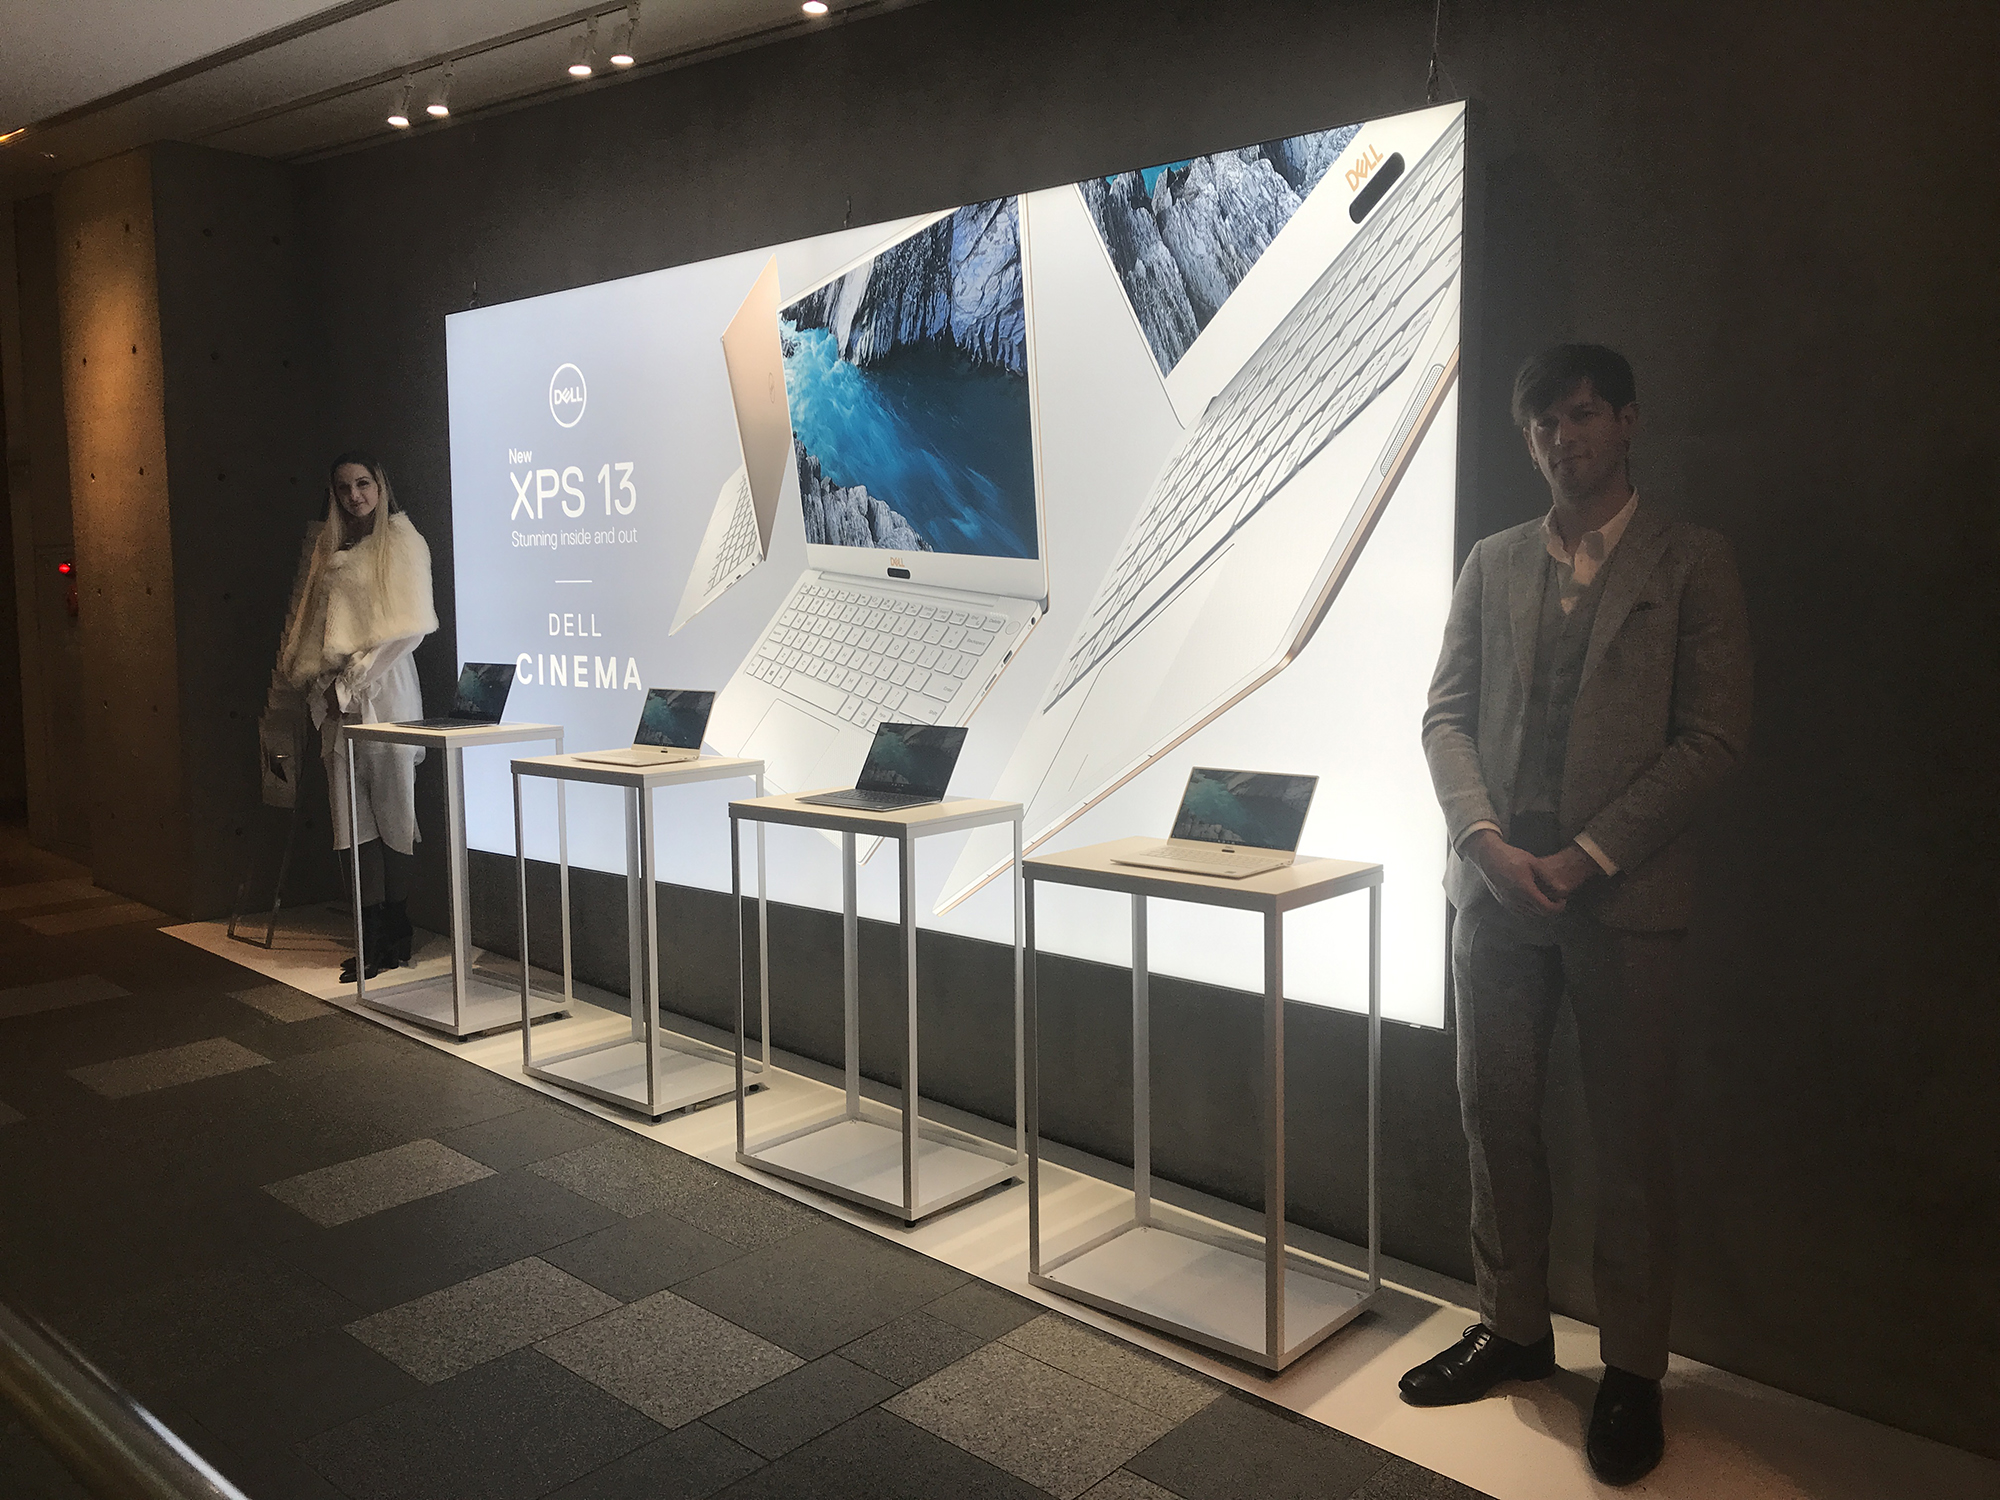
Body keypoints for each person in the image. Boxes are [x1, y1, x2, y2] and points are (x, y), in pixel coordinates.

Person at [1406, 345, 1752, 1486]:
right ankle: (1511, 1327)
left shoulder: (1691, 561)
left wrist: (1588, 853)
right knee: (1493, 1115)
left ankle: (1633, 1371)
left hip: (1626, 898)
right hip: (1496, 891)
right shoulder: (1493, 560)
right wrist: (1482, 840)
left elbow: (1712, 737)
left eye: (1584, 414)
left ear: (1627, 421)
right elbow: (1445, 715)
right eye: (1544, 423)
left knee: (1631, 1140)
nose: (1564, 438)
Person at [271, 452, 437, 982]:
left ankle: (397, 931)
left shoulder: (402, 542)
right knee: (351, 820)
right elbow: (318, 631)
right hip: (337, 705)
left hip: (384, 693)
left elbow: (407, 629)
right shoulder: (332, 548)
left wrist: (350, 681)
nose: (354, 496)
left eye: (363, 484)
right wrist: (326, 686)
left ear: (380, 485)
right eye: (343, 487)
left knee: (395, 815)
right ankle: (369, 936)